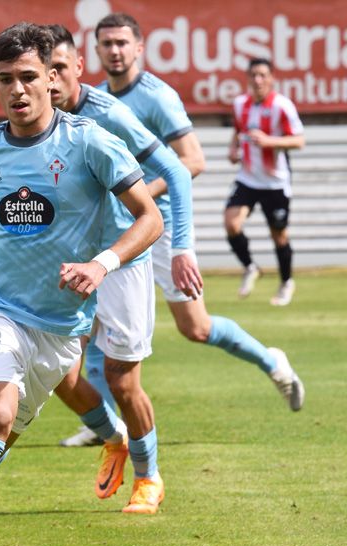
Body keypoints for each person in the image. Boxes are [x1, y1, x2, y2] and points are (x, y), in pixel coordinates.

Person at [0, 23, 161, 546]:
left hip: (61, 330)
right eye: (5, 80)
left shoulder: (90, 143)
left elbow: (149, 218)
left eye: (28, 76)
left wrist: (102, 265)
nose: (17, 90)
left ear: (53, 79)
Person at [55, 11, 305, 448]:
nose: (114, 51)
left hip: (160, 226)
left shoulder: (157, 97)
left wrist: (138, 197)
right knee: (94, 321)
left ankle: (272, 360)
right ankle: (107, 421)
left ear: (139, 48)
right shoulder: (90, 98)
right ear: (94, 51)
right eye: (106, 43)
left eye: (122, 43)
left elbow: (191, 162)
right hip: (110, 230)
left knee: (196, 327)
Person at [44, 25, 198, 513]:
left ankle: (149, 476)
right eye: (39, 74)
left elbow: (177, 168)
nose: (48, 84)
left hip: (122, 257)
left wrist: (182, 247)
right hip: (68, 257)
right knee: (57, 373)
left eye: (58, 72)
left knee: (121, 378)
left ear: (77, 68)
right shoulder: (34, 121)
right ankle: (112, 437)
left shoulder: (109, 113)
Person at [225, 58, 305, 306]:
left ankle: (286, 282)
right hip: (248, 178)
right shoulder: (240, 104)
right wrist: (233, 148)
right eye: (253, 75)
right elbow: (238, 132)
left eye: (262, 75)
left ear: (271, 79)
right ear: (248, 79)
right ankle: (250, 267)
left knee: (279, 236)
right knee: (231, 224)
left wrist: (270, 141)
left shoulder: (282, 106)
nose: (257, 80)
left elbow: (299, 141)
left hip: (275, 182)